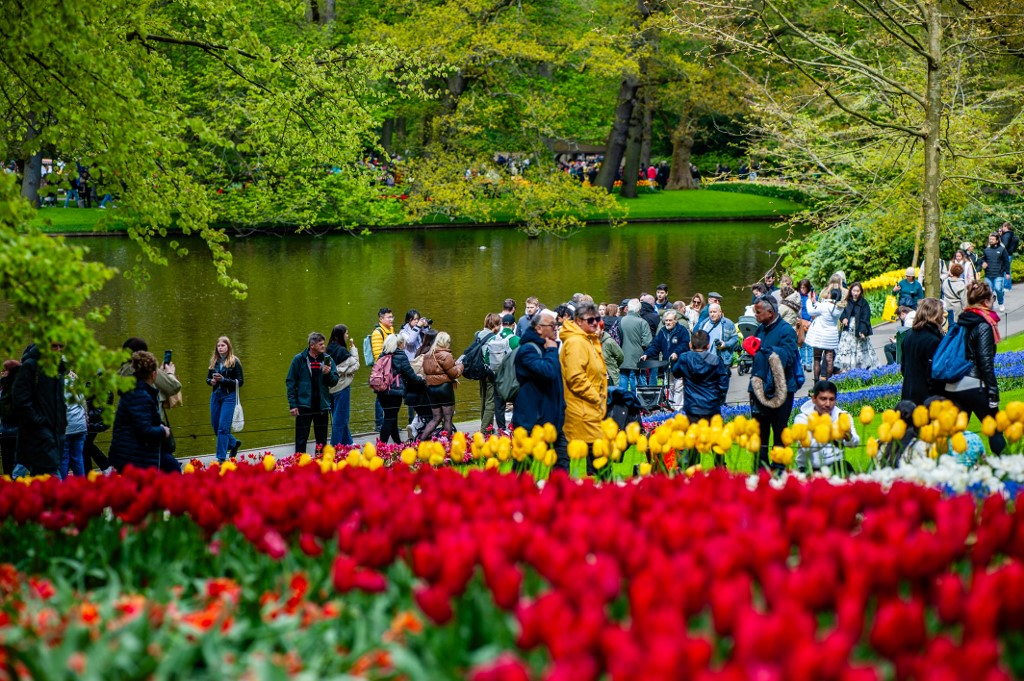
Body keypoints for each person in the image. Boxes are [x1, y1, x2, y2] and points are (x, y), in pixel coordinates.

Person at [945, 281, 1004, 454]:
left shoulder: (963, 321)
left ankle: (951, 468)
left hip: (956, 382)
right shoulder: (984, 325)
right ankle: (1005, 467)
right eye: (992, 298)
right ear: (986, 301)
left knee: (956, 434)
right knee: (994, 428)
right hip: (974, 382)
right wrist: (993, 392)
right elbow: (985, 361)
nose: (993, 301)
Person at [747, 297, 799, 471]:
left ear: (770, 312)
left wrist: (767, 349)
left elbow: (790, 356)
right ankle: (760, 470)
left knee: (779, 432)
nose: (755, 315)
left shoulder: (786, 330)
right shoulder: (760, 329)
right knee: (759, 433)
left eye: (758, 311)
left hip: (780, 390)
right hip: (759, 388)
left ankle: (779, 470)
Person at [513, 310, 568, 470]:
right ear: (538, 328)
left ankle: (559, 494)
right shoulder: (528, 350)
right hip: (532, 420)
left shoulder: (546, 348)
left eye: (556, 324)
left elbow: (556, 381)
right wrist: (552, 350)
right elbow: (548, 372)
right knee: (524, 466)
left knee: (562, 462)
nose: (556, 328)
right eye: (552, 325)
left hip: (552, 418)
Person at [108, 351, 178, 473]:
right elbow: (144, 430)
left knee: (170, 465)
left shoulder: (132, 390)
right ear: (154, 374)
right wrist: (163, 431)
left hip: (126, 452)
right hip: (134, 456)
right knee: (173, 467)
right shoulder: (140, 395)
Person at [560, 303, 608, 473]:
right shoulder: (576, 343)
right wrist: (596, 398)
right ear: (579, 321)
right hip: (582, 411)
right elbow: (576, 377)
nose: (596, 323)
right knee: (601, 466)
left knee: (598, 467)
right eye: (591, 320)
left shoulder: (586, 340)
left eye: (597, 319)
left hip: (590, 410)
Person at [10, 342, 67, 477]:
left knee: (41, 479)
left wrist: (61, 423)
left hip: (54, 434)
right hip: (40, 434)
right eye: (54, 346)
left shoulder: (58, 369)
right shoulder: (31, 365)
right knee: (53, 478)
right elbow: (20, 399)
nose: (58, 350)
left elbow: (59, 402)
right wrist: (38, 422)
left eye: (61, 346)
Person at [672, 329, 729, 447]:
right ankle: (720, 465)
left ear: (690, 345)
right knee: (717, 444)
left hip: (692, 407)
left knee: (693, 444)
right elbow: (723, 382)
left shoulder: (684, 359)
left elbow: (676, 373)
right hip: (711, 405)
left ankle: (693, 464)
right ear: (708, 345)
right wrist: (720, 400)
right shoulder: (715, 360)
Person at [286, 332, 339, 455]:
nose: (323, 346)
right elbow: (290, 381)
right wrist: (293, 404)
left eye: (323, 344)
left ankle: (320, 466)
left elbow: (334, 381)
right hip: (304, 406)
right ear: (312, 345)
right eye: (320, 344)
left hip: (322, 405)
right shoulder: (299, 359)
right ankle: (299, 465)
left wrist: (328, 373)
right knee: (301, 439)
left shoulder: (328, 359)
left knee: (322, 441)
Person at [792, 380, 860, 474]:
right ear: (814, 399)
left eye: (832, 399)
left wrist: (849, 437)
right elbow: (806, 448)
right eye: (823, 399)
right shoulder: (802, 419)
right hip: (809, 469)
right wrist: (831, 434)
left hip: (837, 466)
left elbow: (855, 443)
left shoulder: (842, 416)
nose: (828, 404)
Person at [118, 337, 181, 424]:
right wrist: (170, 373)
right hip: (151, 423)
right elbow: (174, 386)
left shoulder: (122, 370)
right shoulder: (145, 368)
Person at [378, 335, 427, 445]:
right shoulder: (400, 355)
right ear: (399, 344)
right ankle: (381, 447)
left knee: (391, 417)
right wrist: (421, 380)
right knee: (389, 419)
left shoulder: (382, 355)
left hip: (381, 391)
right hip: (394, 393)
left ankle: (398, 443)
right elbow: (410, 374)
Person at [640, 309, 690, 410]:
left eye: (670, 320)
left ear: (675, 320)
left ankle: (677, 409)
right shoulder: (662, 331)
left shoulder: (682, 331)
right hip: (667, 364)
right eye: (666, 320)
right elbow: (655, 345)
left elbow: (685, 344)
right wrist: (646, 354)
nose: (667, 322)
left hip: (679, 364)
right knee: (669, 386)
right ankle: (670, 408)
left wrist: (676, 352)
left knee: (679, 387)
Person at [900, 298, 945, 405]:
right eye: (942, 314)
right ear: (936, 315)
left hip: (908, 395)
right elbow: (935, 374)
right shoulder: (934, 340)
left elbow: (903, 368)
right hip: (927, 398)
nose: (943, 318)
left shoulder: (909, 335)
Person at [207, 336, 243, 462]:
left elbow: (240, 382)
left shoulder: (234, 361)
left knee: (223, 427)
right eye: (218, 346)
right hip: (216, 395)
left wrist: (223, 380)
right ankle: (233, 443)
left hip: (229, 396)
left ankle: (221, 458)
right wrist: (211, 381)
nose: (220, 348)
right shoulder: (214, 361)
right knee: (216, 426)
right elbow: (207, 379)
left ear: (228, 347)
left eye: (223, 345)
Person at [421, 332, 463, 439]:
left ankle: (421, 442)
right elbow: (454, 373)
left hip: (431, 388)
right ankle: (446, 444)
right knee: (448, 418)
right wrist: (460, 366)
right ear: (445, 342)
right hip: (444, 388)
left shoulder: (427, 355)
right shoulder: (446, 355)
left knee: (436, 418)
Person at [326, 324, 360, 446]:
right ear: (341, 335)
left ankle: (348, 442)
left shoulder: (328, 348)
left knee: (338, 416)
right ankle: (335, 447)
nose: (347, 335)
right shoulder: (342, 351)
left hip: (331, 388)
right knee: (340, 419)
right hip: (342, 388)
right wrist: (354, 350)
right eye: (346, 333)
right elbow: (356, 365)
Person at [836, 282, 879, 371]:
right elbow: (841, 312)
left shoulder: (864, 303)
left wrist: (862, 331)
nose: (855, 293)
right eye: (853, 291)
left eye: (857, 291)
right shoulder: (846, 301)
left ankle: (861, 371)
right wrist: (843, 318)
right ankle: (848, 371)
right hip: (848, 331)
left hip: (859, 329)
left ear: (861, 292)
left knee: (860, 352)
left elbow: (865, 318)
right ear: (850, 290)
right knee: (847, 351)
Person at [489, 314, 521, 429]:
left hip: (496, 376)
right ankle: (513, 426)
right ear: (513, 325)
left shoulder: (493, 339)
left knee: (499, 406)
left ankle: (502, 429)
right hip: (512, 378)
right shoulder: (517, 340)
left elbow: (488, 358)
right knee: (517, 403)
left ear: (502, 324)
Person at [699, 303, 739, 394]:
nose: (712, 314)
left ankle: (721, 403)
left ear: (720, 312)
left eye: (714, 312)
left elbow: (735, 338)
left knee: (722, 383)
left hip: (721, 358)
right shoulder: (704, 323)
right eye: (710, 312)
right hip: (706, 358)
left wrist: (725, 344)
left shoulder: (728, 323)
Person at [407, 328, 438, 439]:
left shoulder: (419, 350)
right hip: (428, 391)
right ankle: (425, 433)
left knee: (423, 411)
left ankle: (414, 426)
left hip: (416, 394)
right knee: (443, 410)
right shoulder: (431, 354)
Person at [806, 288, 842, 381]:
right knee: (829, 360)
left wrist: (809, 301)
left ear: (830, 295)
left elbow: (810, 311)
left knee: (817, 359)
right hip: (830, 336)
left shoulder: (824, 306)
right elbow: (825, 308)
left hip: (819, 335)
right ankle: (828, 382)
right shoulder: (838, 308)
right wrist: (816, 302)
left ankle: (817, 383)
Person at [475, 313, 503, 432]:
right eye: (499, 324)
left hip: (480, 371)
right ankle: (485, 430)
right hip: (490, 373)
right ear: (495, 326)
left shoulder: (478, 334)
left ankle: (487, 426)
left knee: (483, 400)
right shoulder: (494, 338)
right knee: (491, 402)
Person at [618, 298, 652, 393]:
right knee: (637, 380)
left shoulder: (620, 321)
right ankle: (636, 402)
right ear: (638, 310)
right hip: (638, 357)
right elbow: (647, 342)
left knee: (623, 377)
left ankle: (622, 403)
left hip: (622, 355)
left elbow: (616, 338)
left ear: (628, 308)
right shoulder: (642, 322)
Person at [61, 371, 87, 478]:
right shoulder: (76, 379)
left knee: (63, 459)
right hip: (80, 423)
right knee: (78, 458)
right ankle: (81, 485)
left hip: (66, 425)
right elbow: (83, 401)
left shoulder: (58, 381)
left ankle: (62, 487)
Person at [981, 232, 1010, 312]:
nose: (991, 241)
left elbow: (1006, 261)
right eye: (990, 239)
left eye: (993, 239)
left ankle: (1001, 303)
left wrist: (1007, 272)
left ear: (997, 240)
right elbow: (983, 259)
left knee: (998, 289)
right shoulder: (986, 250)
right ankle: (990, 306)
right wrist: (983, 263)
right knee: (988, 291)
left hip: (998, 274)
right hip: (988, 274)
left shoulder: (1002, 250)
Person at [0, 360, 20, 475]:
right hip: (17, 431)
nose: (3, 373)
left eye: (5, 370)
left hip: (5, 431)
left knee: (8, 465)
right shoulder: (21, 386)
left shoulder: (3, 387)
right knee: (17, 464)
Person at [797, 279, 815, 371]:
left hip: (810, 322)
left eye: (804, 288)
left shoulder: (811, 296)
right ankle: (804, 362)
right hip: (801, 322)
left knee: (810, 344)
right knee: (802, 342)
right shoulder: (798, 296)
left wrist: (810, 322)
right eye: (800, 287)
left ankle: (809, 363)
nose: (802, 289)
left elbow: (814, 309)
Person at [1000, 222, 1019, 290]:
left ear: (1006, 227)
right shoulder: (1011, 234)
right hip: (1009, 254)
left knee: (1006, 270)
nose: (1002, 228)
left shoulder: (1006, 235)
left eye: (1003, 227)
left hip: (1006, 254)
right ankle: (1008, 286)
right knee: (1007, 270)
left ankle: (1006, 286)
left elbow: (1004, 245)